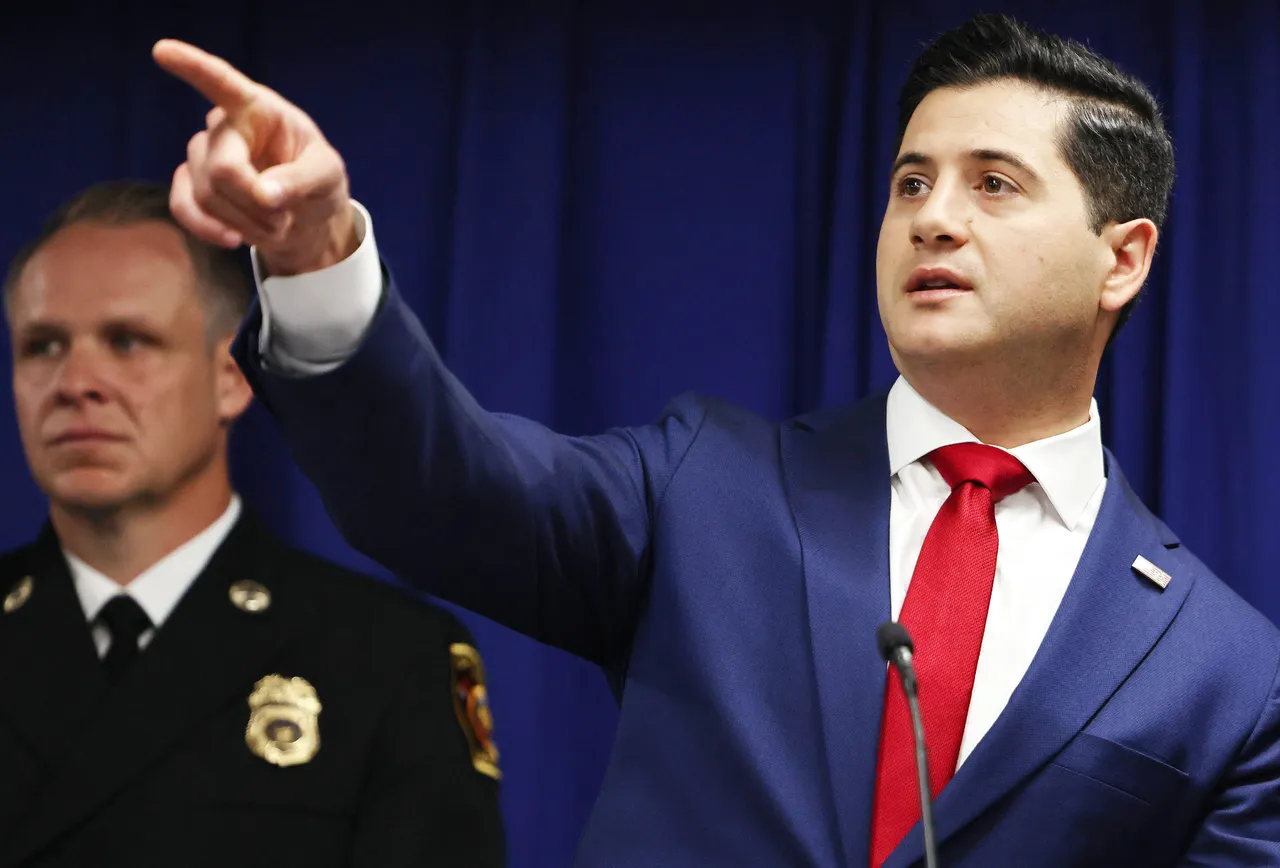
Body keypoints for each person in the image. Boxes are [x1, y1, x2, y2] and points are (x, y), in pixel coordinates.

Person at [153, 12, 1280, 868]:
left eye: (993, 184)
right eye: (909, 183)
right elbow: (440, 489)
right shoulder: (707, 486)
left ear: (1120, 259)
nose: (933, 216)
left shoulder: (1224, 674)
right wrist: (313, 255)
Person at [0, 181, 506, 868]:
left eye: (127, 341)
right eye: (42, 346)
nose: (75, 381)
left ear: (233, 376)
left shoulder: (387, 662)